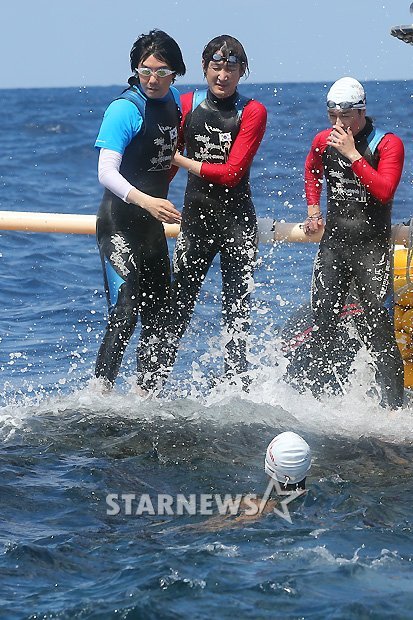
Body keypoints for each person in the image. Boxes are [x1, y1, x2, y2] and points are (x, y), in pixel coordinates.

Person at [165, 35, 267, 384]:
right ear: (205, 68)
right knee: (176, 307)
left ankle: (236, 391)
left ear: (243, 71)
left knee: (237, 316)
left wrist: (183, 160)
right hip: (196, 222)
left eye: (232, 68)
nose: (223, 75)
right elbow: (169, 162)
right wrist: (150, 199)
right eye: (216, 67)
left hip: (237, 223)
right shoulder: (188, 104)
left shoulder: (252, 111)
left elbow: (232, 173)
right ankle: (149, 385)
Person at [302, 77, 404, 408]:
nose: (336, 125)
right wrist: (314, 208)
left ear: (360, 112)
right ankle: (319, 403)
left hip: (371, 248)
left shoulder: (387, 145)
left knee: (378, 332)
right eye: (331, 117)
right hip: (334, 245)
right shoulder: (324, 140)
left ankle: (393, 410)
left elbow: (385, 190)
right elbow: (311, 169)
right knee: (323, 324)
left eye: (343, 118)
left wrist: (352, 153)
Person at [93, 30, 185, 391]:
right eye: (145, 70)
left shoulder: (175, 101)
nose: (152, 79)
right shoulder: (124, 109)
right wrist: (147, 202)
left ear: (175, 72)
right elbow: (105, 173)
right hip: (119, 225)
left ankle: (146, 397)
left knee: (161, 317)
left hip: (151, 229)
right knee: (126, 309)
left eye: (161, 72)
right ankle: (99, 396)